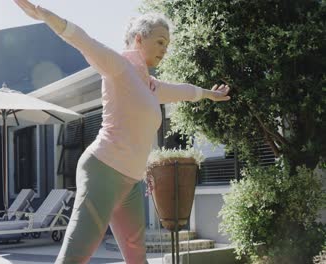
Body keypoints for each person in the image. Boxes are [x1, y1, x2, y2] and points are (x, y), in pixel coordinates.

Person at [13, 1, 231, 263]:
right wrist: (44, 15)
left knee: (137, 257)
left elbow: (183, 90)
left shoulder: (150, 85)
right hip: (103, 169)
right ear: (139, 38)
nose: (166, 48)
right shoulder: (118, 66)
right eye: (161, 41)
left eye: (167, 43)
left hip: (131, 182)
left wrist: (210, 94)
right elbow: (84, 41)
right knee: (76, 255)